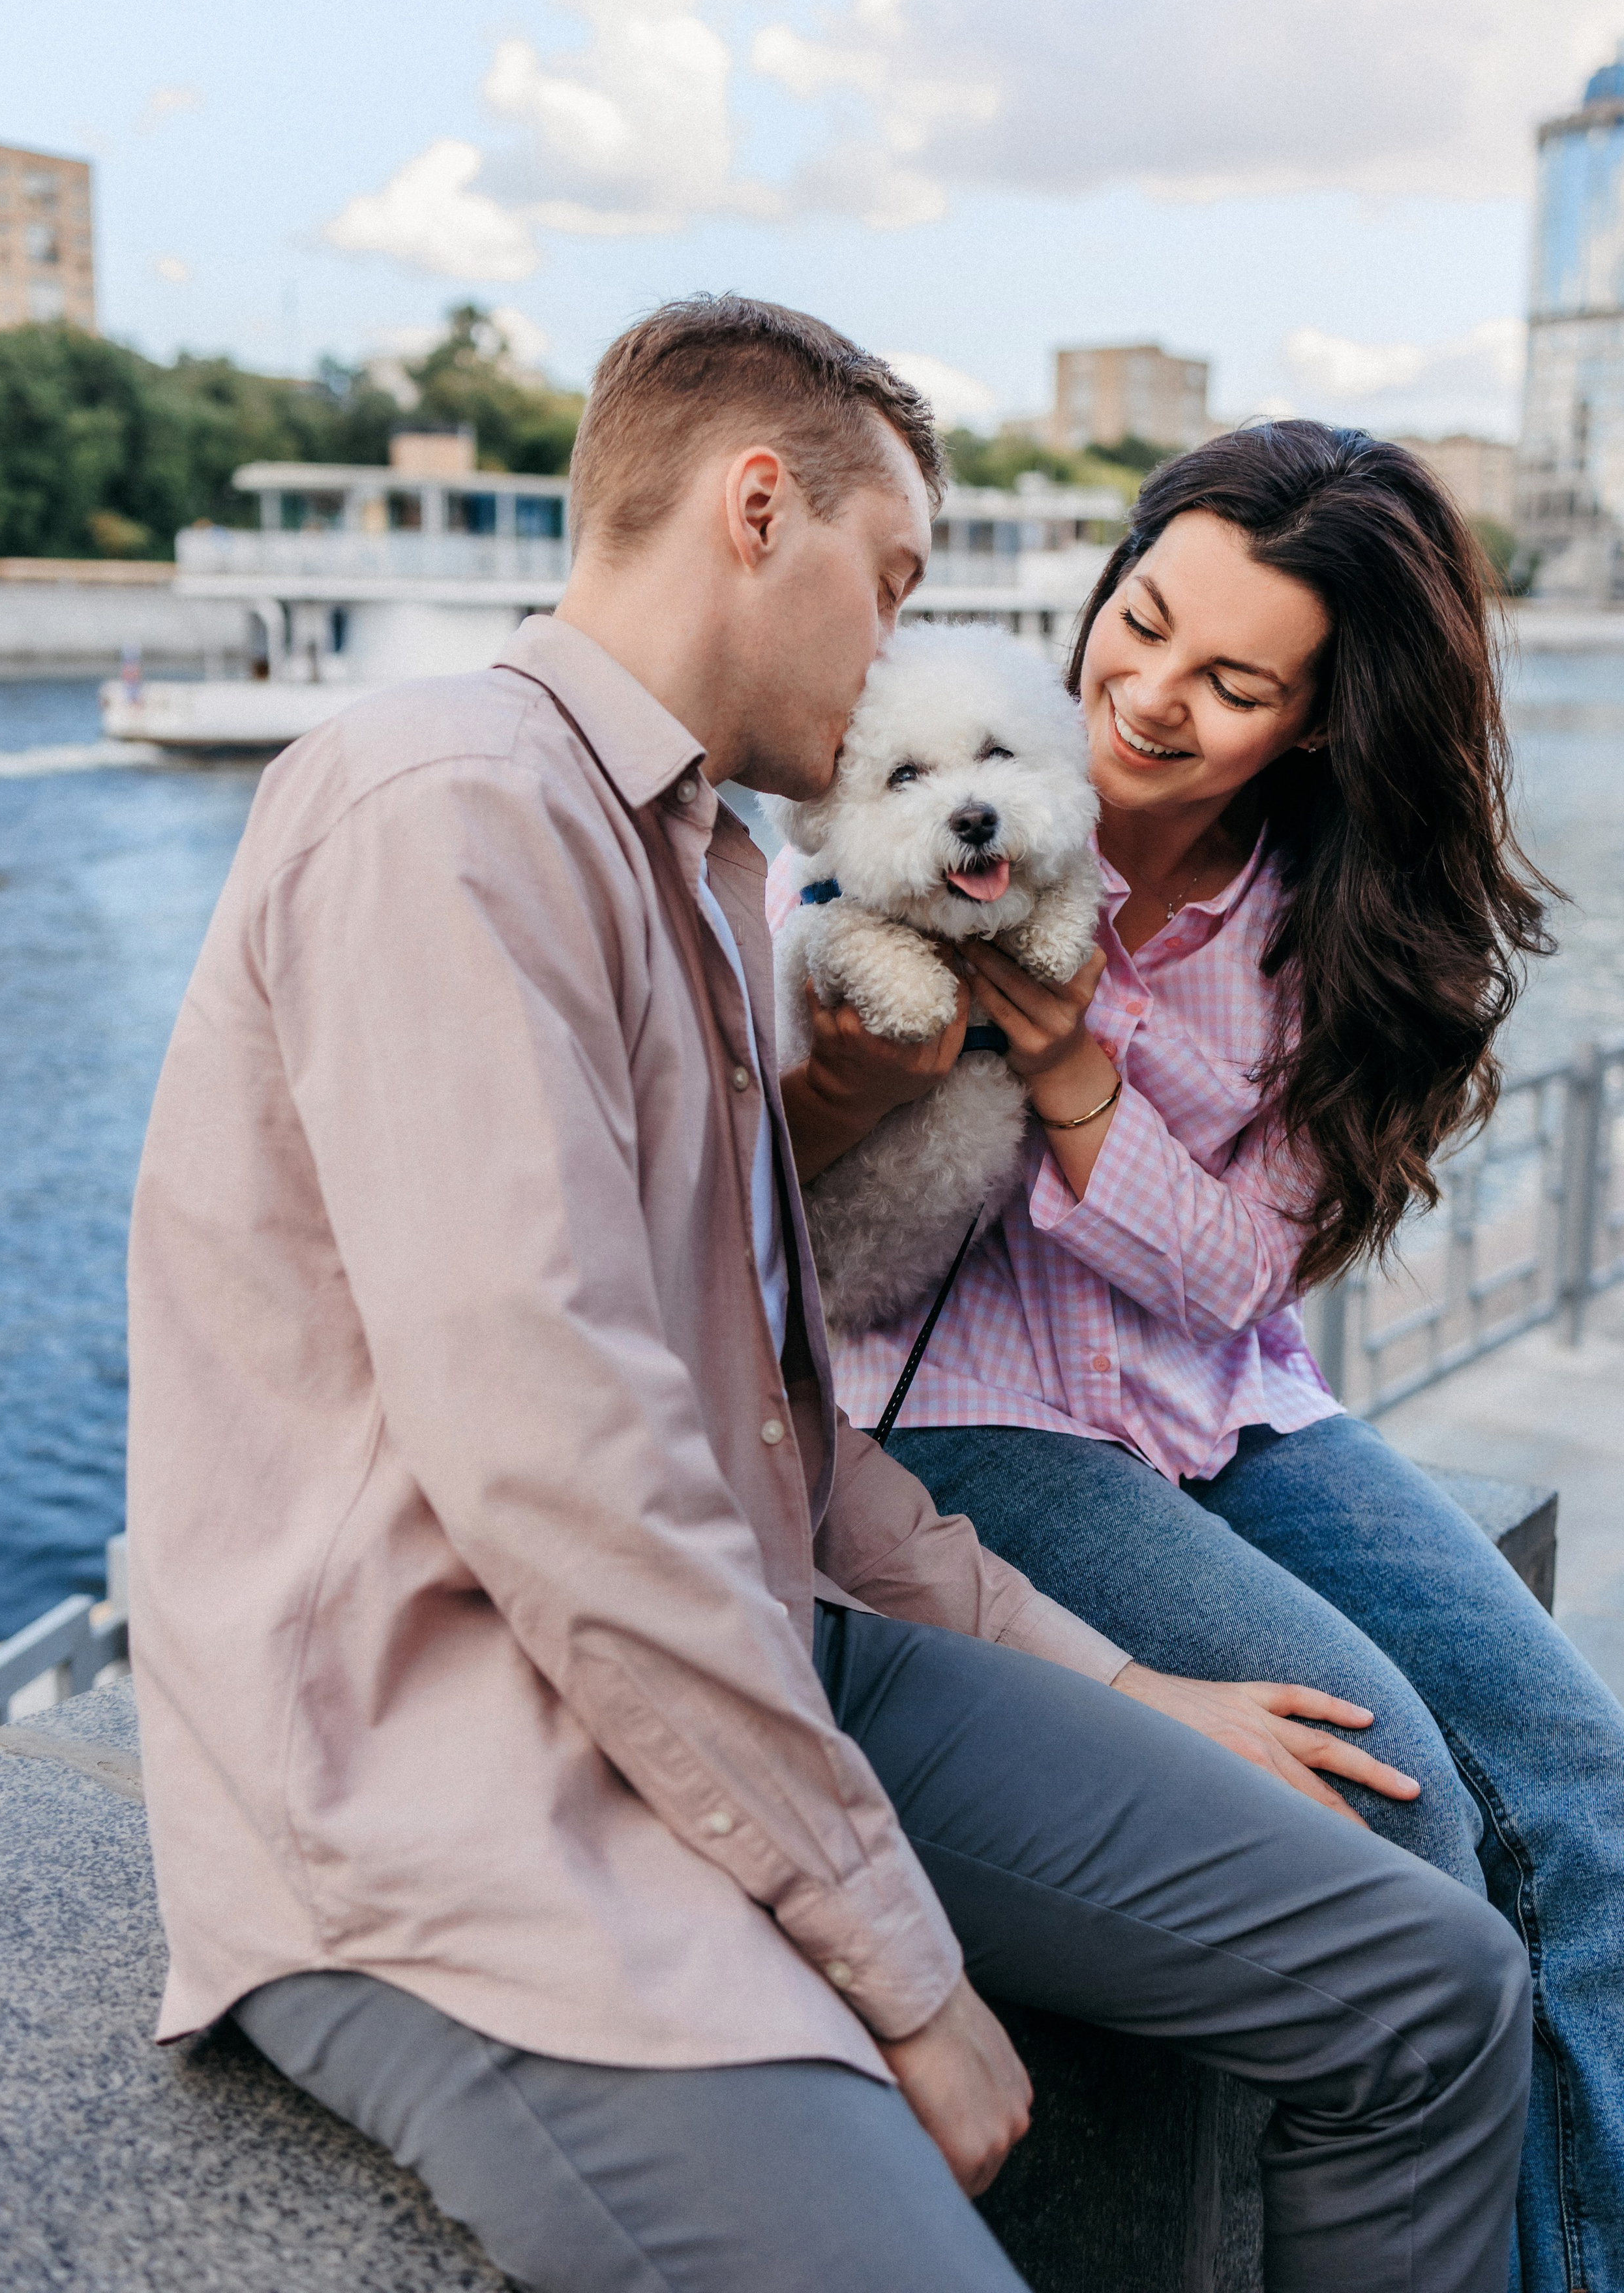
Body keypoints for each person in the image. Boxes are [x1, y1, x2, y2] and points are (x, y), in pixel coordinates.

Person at [128, 311, 1530, 2293]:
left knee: (1432, 1989)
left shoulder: (699, 864)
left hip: (772, 1653)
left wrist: (1122, 1686)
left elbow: (772, 1420)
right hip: (458, 1776)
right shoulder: (441, 807)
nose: (902, 654)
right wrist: (893, 1956)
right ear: (757, 509)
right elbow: (562, 1471)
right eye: (891, 590)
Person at [771, 419, 1621, 2293]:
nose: (1149, 698)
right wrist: (852, 1080)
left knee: (1580, 1767)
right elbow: (756, 1217)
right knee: (1388, 1775)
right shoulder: (898, 789)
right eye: (1138, 627)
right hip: (976, 1423)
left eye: (1234, 684)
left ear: (1317, 724)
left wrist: (1076, 1062)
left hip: (1222, 1404)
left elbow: (1238, 1279)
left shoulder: (1319, 922)